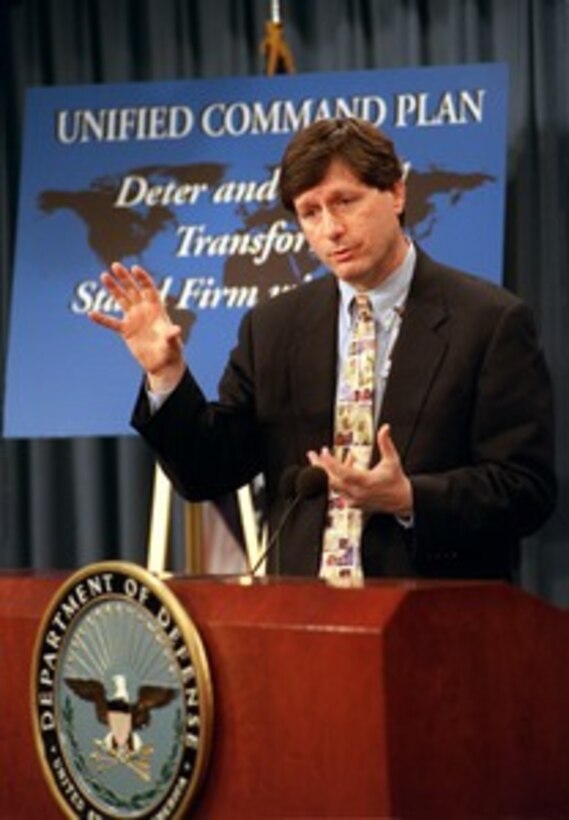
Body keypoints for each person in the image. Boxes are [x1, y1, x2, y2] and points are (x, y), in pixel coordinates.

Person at [89, 117, 556, 581]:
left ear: (395, 193)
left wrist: (409, 497)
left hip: (433, 622)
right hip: (304, 620)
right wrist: (166, 376)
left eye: (345, 201)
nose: (330, 228)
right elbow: (206, 473)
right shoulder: (273, 327)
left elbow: (526, 489)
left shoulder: (489, 321)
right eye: (310, 212)